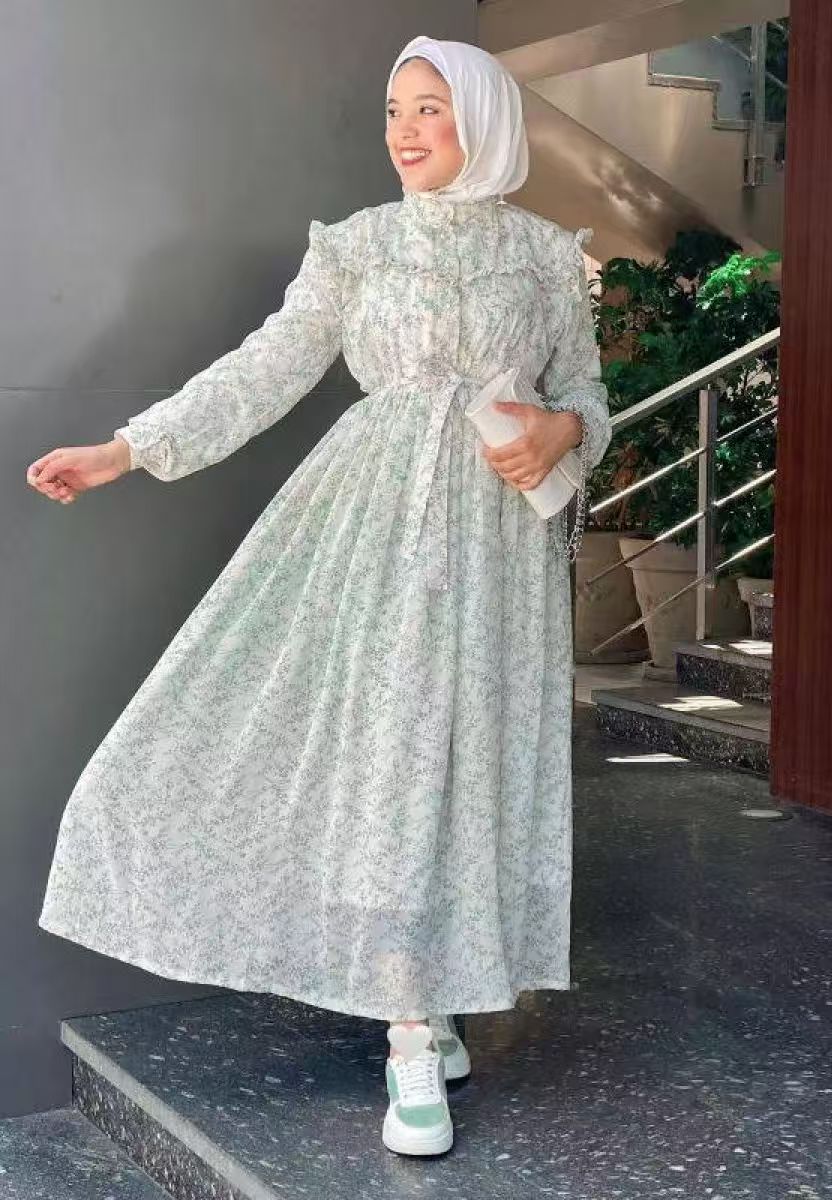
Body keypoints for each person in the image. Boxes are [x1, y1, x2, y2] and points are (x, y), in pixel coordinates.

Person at [28, 34, 612, 1157]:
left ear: (484, 119)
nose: (405, 129)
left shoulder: (546, 255)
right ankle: (408, 1033)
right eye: (395, 109)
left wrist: (563, 430)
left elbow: (586, 391)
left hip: (499, 549)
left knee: (470, 767)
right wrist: (127, 449)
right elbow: (266, 366)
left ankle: (435, 990)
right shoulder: (357, 246)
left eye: (431, 108)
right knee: (391, 761)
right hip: (372, 532)